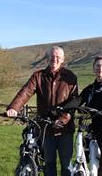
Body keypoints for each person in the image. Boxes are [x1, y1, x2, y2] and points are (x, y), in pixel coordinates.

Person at [6, 46, 78, 176]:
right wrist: (13, 107)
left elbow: (73, 103)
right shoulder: (38, 76)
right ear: (48, 58)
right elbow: (26, 92)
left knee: (66, 166)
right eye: (52, 56)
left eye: (58, 57)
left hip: (65, 130)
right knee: (48, 164)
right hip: (46, 129)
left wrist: (61, 120)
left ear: (62, 59)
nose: (54, 59)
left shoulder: (70, 77)